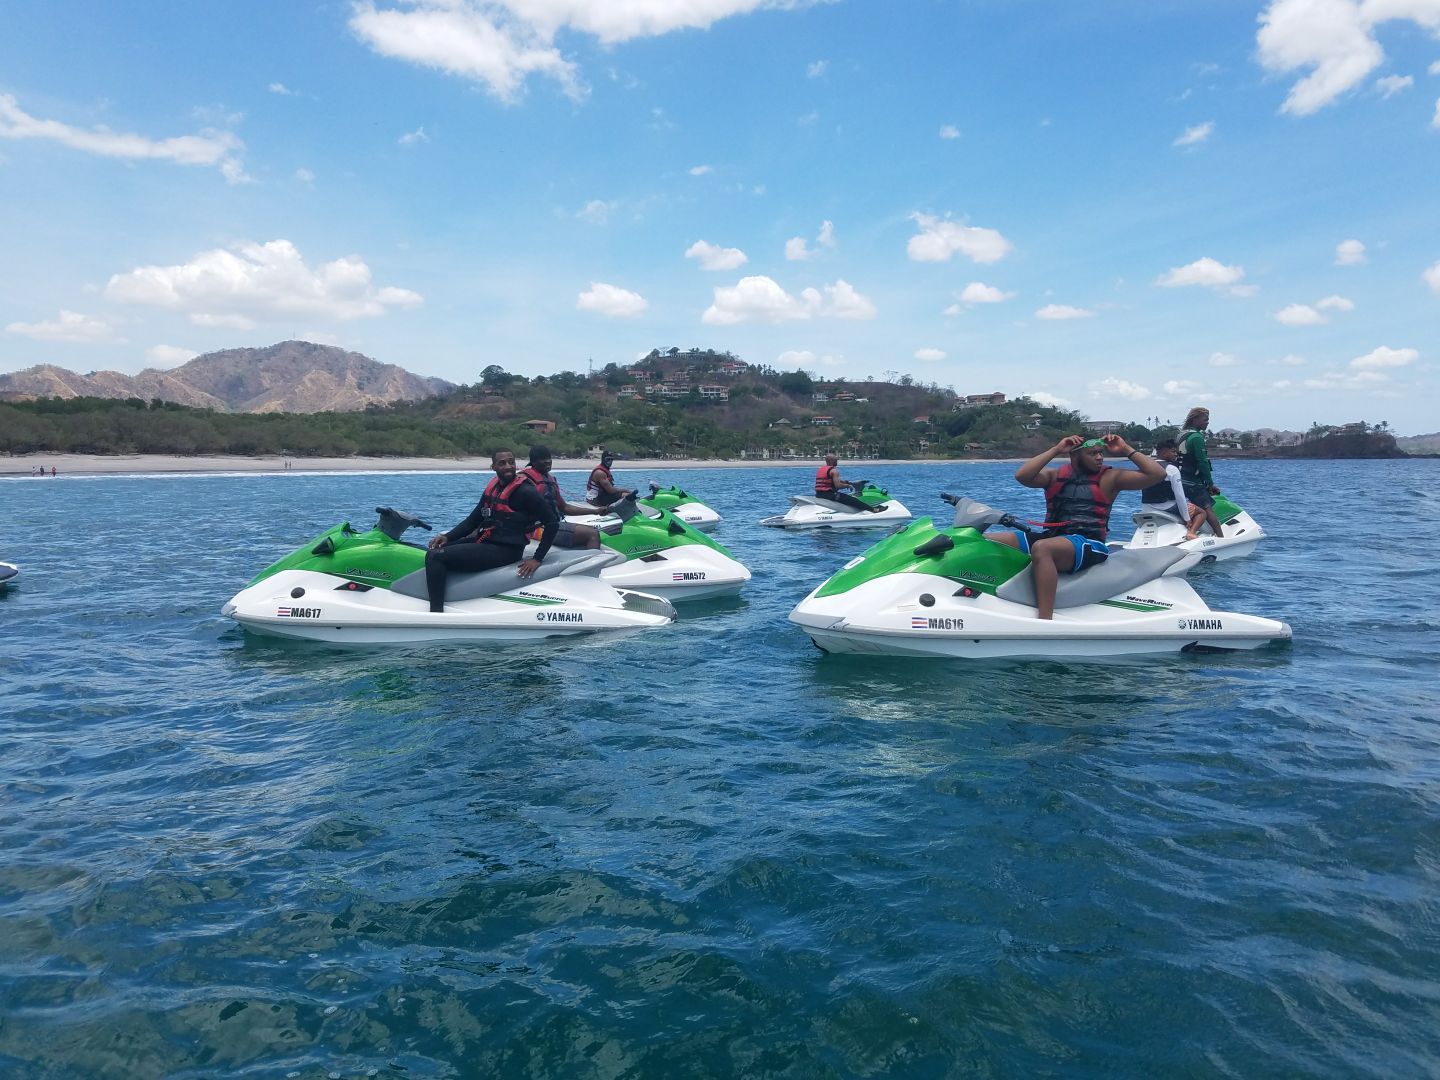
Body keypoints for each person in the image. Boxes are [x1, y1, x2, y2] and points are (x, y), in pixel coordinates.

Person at [987, 434, 1166, 620]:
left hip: (1089, 543)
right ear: (1075, 456)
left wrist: (1125, 448)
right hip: (1053, 536)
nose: (1099, 457)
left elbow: (1157, 474)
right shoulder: (1054, 476)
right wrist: (1056, 449)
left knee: (1042, 548)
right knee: (987, 540)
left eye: (1100, 452)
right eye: (1092, 453)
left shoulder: (1111, 478)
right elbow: (1022, 475)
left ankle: (1045, 620)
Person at [423, 448, 558, 613]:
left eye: (511, 462)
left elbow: (552, 523)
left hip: (506, 551)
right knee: (436, 549)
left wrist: (537, 559)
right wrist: (447, 537)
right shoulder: (494, 487)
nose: (508, 466)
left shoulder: (526, 492)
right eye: (502, 463)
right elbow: (472, 520)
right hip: (487, 542)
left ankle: (436, 612)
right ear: (493, 467)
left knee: (435, 557)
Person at [524, 445, 610, 549]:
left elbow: (565, 508)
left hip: (550, 525)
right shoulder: (526, 481)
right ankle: (596, 564)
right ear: (533, 462)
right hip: (538, 529)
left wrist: (596, 511)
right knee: (593, 533)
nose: (547, 461)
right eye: (542, 459)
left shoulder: (549, 479)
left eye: (548, 458)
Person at [1177, 407, 1224, 541]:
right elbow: (1202, 462)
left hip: (1180, 480)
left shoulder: (1181, 435)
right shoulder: (1196, 437)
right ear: (1195, 419)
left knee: (1193, 507)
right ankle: (1221, 538)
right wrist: (1210, 484)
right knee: (1207, 507)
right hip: (1193, 482)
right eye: (1205, 419)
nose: (1207, 422)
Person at [1140, 439, 1193, 521]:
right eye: (1173, 452)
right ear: (1164, 452)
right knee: (1201, 513)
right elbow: (1180, 496)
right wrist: (1186, 518)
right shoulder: (1172, 469)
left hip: (1147, 508)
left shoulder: (1146, 467)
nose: (1176, 454)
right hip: (1166, 507)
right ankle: (1191, 531)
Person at [815, 453, 882, 513]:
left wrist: (846, 482)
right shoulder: (834, 471)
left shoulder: (821, 469)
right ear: (831, 461)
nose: (837, 461)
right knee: (854, 500)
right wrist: (848, 486)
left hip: (819, 494)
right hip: (830, 495)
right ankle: (875, 510)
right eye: (836, 460)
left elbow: (829, 480)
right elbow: (838, 485)